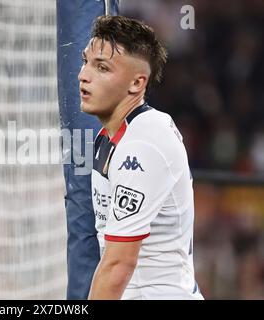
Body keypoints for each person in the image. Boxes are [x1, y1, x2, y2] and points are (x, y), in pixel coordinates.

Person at [79, 15, 203, 299]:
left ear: (137, 83)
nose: (83, 75)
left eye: (102, 67)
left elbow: (119, 265)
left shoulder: (143, 144)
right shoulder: (114, 134)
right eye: (86, 61)